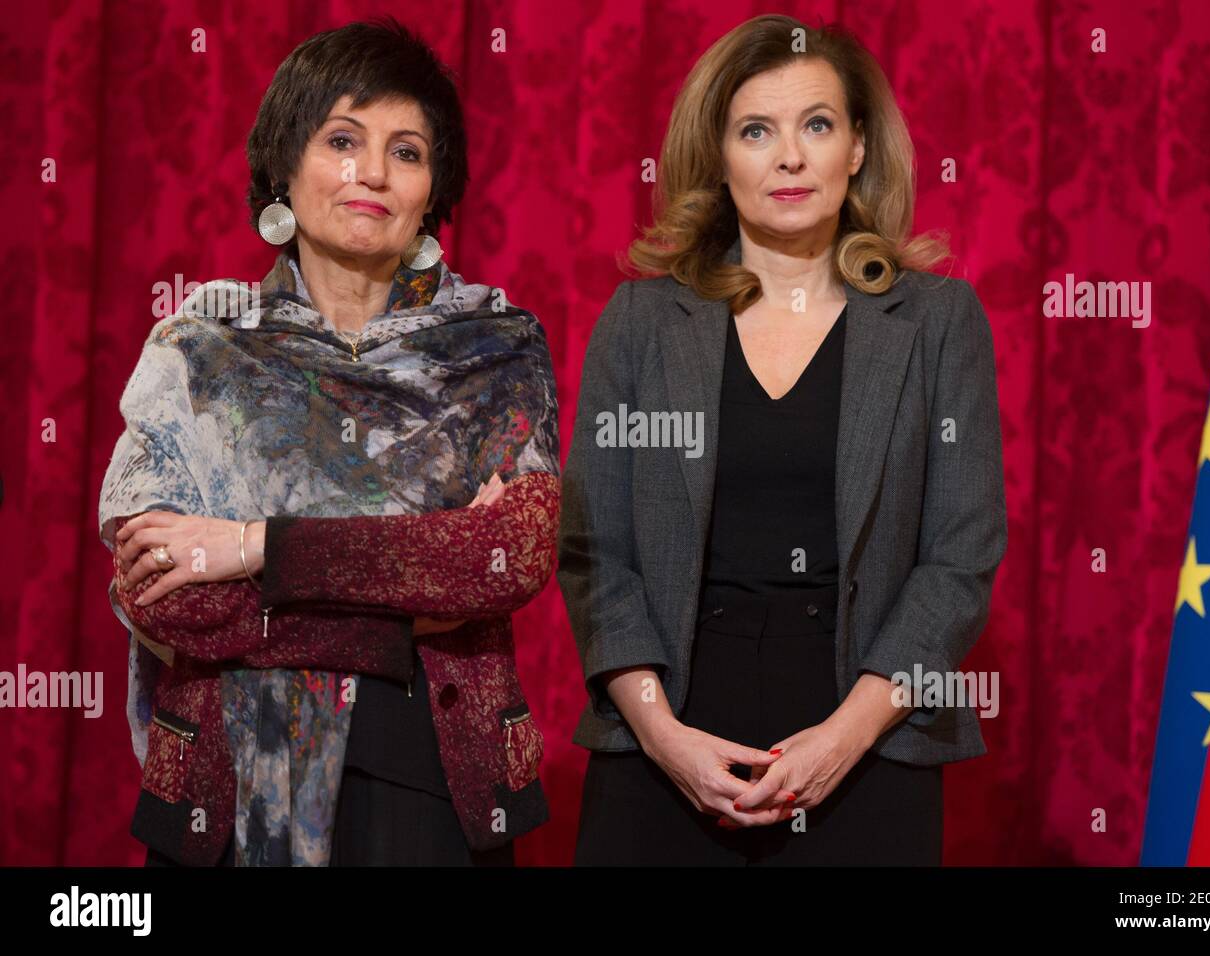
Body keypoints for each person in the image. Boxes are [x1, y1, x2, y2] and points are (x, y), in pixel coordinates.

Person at [97, 16, 559, 866]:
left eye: (408, 151)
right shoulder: (199, 345)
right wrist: (408, 597)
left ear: (434, 188)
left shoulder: (496, 346)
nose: (373, 173)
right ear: (285, 164)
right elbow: (169, 594)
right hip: (223, 794)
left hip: (430, 780)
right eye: (342, 139)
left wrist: (247, 547)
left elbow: (509, 557)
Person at [558, 14, 1007, 865]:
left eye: (818, 125)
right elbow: (593, 554)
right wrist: (663, 736)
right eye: (756, 130)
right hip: (667, 751)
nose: (790, 158)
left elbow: (962, 556)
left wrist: (842, 739)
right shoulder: (642, 322)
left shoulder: (940, 322)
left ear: (860, 148)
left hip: (869, 748)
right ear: (720, 158)